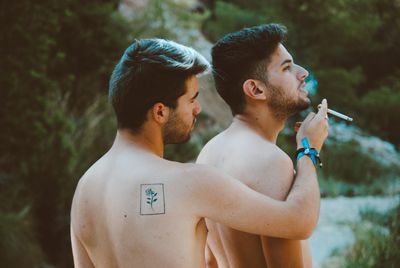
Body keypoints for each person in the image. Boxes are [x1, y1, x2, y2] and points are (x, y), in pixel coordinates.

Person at [70, 38, 328, 268]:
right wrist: (308, 148)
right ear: (160, 112)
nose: (197, 109)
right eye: (191, 99)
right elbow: (299, 221)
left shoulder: (85, 190)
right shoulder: (189, 182)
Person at [197, 24, 329, 268]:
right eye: (287, 67)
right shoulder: (269, 161)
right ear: (256, 89)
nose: (304, 73)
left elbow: (209, 260)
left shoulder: (209, 152)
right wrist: (308, 149)